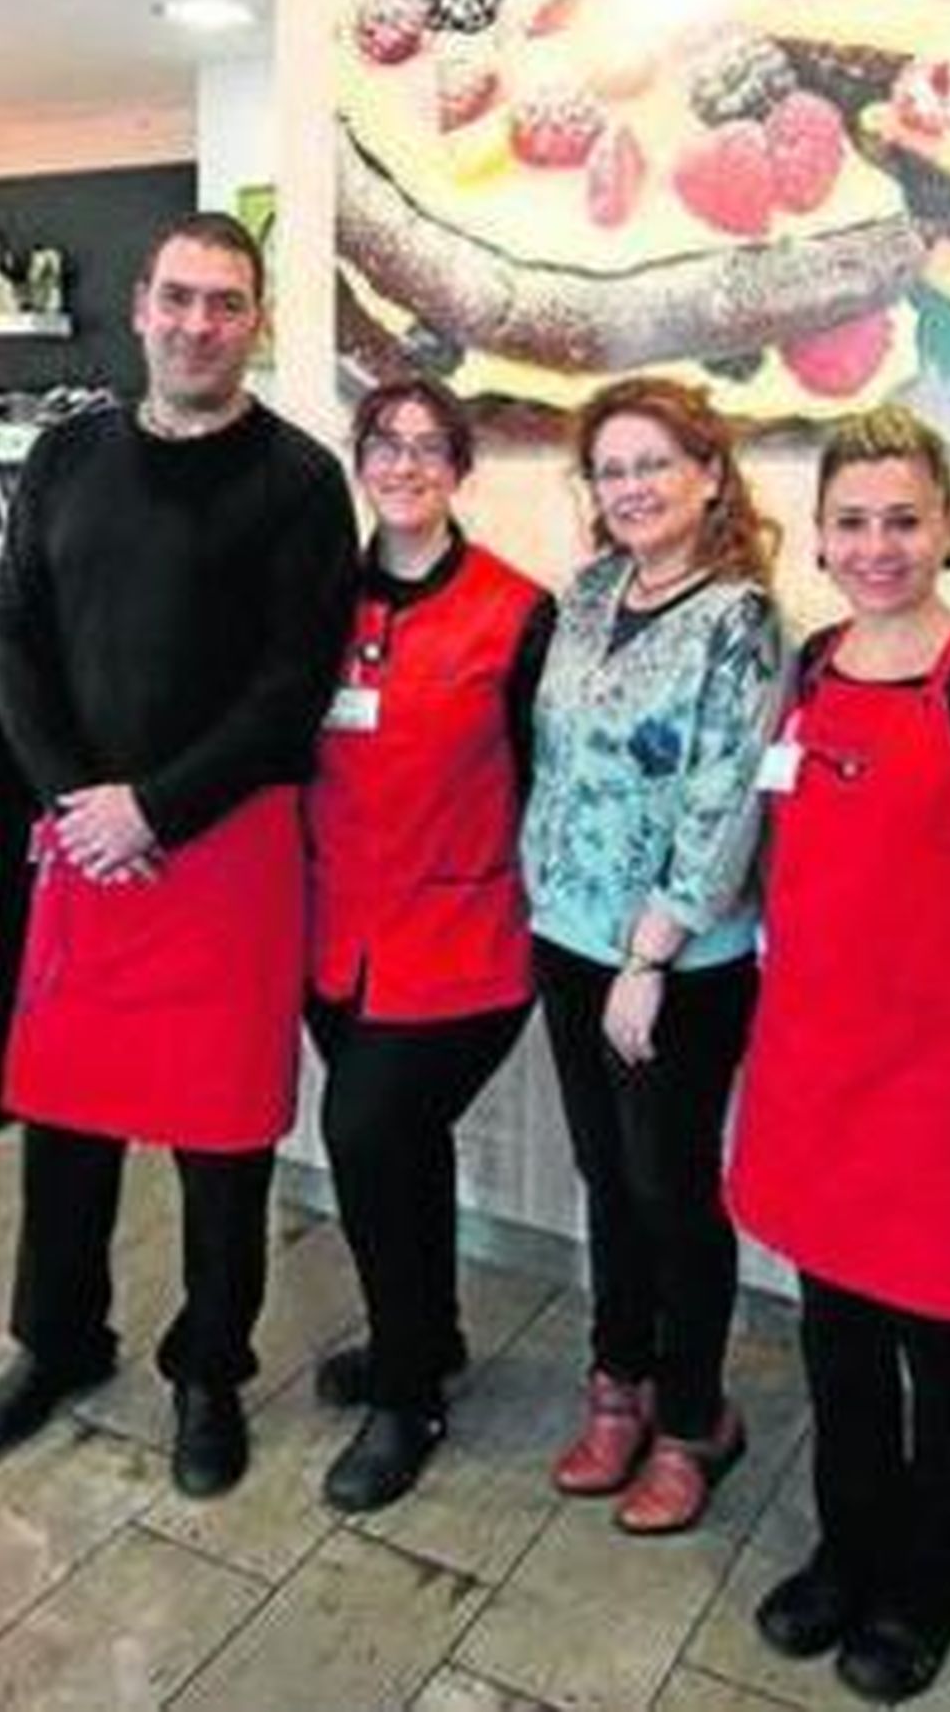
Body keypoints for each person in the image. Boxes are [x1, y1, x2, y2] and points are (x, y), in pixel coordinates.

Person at [0, 211, 357, 1499]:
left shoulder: (298, 481)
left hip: (226, 850)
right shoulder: (67, 457)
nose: (197, 324)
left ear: (256, 322)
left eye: (225, 304)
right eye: (178, 298)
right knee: (64, 1120)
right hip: (84, 842)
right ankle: (58, 1342)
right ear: (139, 307)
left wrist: (157, 810)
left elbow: (291, 688)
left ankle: (207, 1374)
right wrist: (82, 800)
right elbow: (13, 637)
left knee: (222, 1139)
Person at [728, 406, 950, 1705]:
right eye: (853, 521)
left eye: (903, 519)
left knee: (944, 1343)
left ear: (949, 524)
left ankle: (935, 1580)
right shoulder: (812, 663)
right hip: (818, 1069)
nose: (878, 545)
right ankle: (850, 1541)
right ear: (819, 538)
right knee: (832, 1327)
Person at [522, 376, 784, 1535]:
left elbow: (725, 800)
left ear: (709, 474)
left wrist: (653, 952)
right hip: (566, 937)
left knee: (672, 1190)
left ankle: (693, 1420)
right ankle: (615, 1388)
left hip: (674, 961)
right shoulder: (585, 595)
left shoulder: (739, 618)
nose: (630, 487)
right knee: (605, 1180)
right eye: (611, 469)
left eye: (653, 464)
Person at [303, 378, 554, 1513]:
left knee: (363, 1135)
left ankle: (409, 1396)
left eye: (426, 447)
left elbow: (551, 790)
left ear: (460, 466)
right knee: (400, 1150)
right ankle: (432, 1335)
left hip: (464, 945)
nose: (403, 464)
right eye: (383, 445)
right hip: (334, 939)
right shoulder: (313, 599)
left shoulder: (515, 612)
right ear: (361, 460)